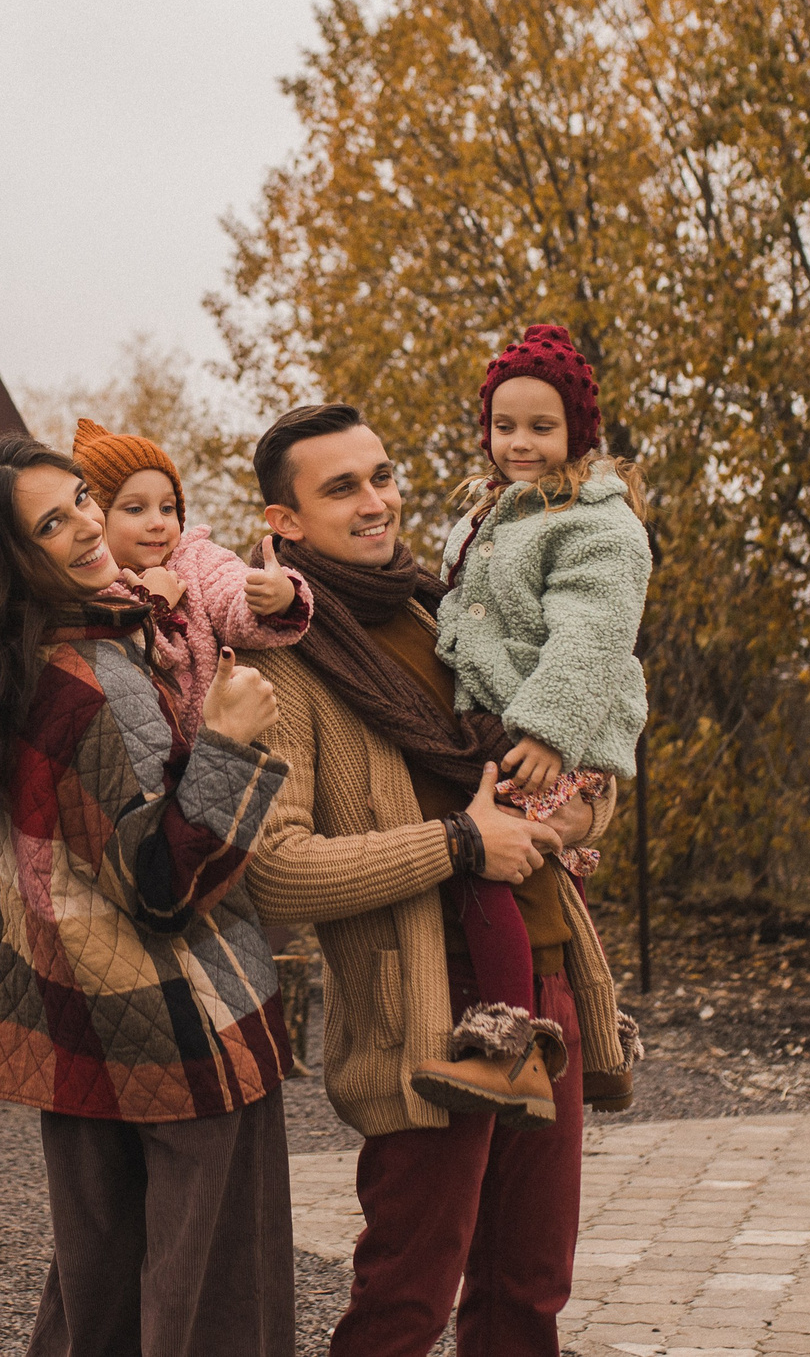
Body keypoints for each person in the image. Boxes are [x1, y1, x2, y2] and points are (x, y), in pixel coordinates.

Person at [0, 436, 298, 1357]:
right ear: (8, 560)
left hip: (78, 1037)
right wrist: (230, 742)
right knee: (213, 1311)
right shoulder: (89, 681)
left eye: (78, 499)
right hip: (188, 1034)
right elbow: (163, 884)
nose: (86, 525)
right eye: (51, 523)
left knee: (95, 1304)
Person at [241, 402, 613, 1356]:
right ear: (284, 521)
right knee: (407, 1296)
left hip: (548, 971)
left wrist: (585, 811)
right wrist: (459, 843)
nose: (377, 501)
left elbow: (564, 743)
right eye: (342, 488)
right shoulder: (282, 662)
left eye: (383, 475)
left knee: (530, 1287)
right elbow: (274, 869)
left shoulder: (447, 607)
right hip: (427, 1002)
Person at [418, 325, 652, 1122]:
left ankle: (510, 1046)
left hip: (554, 737)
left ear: (577, 432)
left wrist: (551, 731)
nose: (519, 442)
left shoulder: (598, 525)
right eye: (504, 424)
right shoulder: (493, 512)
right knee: (545, 890)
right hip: (509, 728)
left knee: (488, 866)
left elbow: (591, 633)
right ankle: (598, 1045)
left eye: (541, 426)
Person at [72, 416, 315, 741]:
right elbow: (121, 658)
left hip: (220, 735)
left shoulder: (194, 558)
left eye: (167, 508)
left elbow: (228, 588)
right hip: (150, 749)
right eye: (135, 510)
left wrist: (276, 597)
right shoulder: (92, 587)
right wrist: (152, 604)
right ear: (96, 519)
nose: (158, 522)